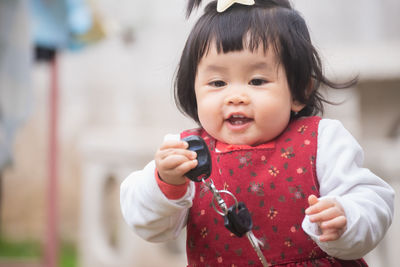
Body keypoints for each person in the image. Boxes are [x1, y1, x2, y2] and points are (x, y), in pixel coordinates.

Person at [120, 0, 395, 266]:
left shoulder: (321, 140)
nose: (236, 96)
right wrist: (165, 183)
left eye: (257, 81)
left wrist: (346, 217)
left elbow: (373, 200)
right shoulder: (189, 154)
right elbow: (148, 223)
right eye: (218, 82)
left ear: (300, 90)